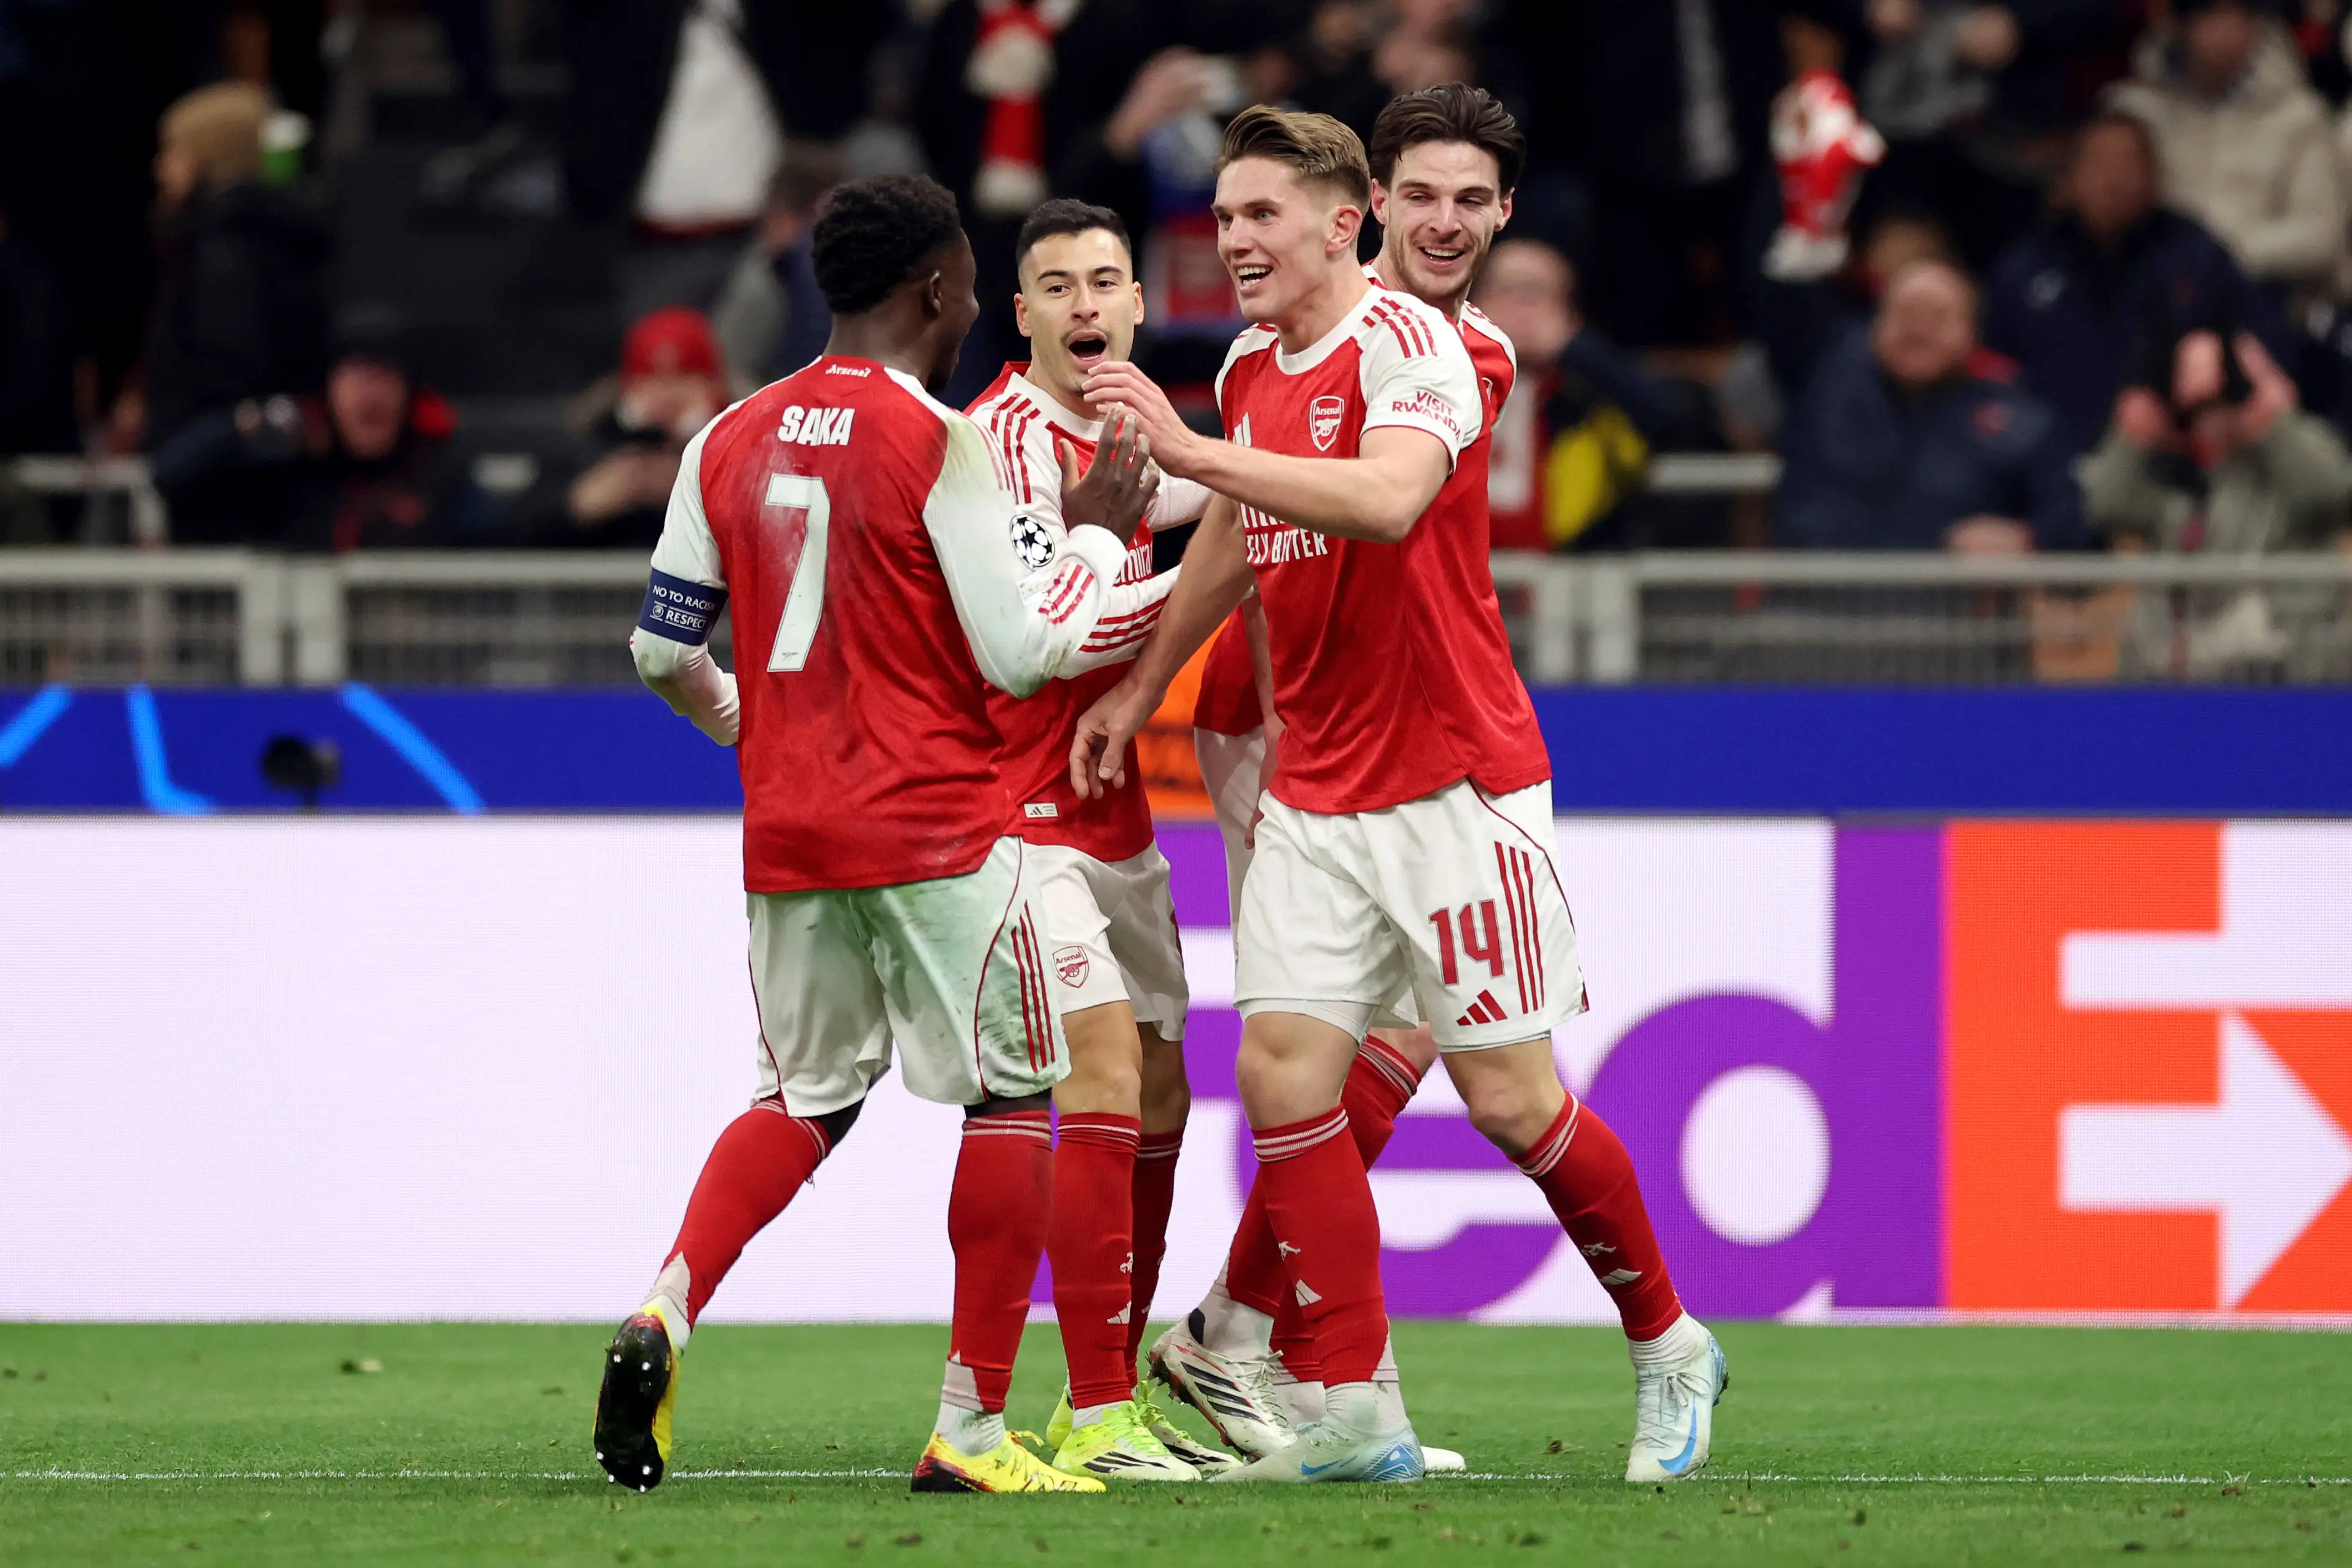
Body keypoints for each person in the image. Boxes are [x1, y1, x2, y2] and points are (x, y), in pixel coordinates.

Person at [1071, 103, 1726, 1485]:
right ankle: (1351, 1412)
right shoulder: (1253, 363)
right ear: (1379, 199)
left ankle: (1669, 1340)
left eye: (1257, 217)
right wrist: (1143, 687)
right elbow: (1251, 537)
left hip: (1454, 782)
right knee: (1285, 1073)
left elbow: (1382, 499)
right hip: (1315, 781)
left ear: (1334, 222)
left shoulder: (1434, 345)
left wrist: (1184, 455)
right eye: (1226, 216)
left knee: (1510, 1100)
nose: (1232, 239)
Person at [593, 171, 1158, 1498]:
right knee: (1019, 1093)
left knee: (798, 1094)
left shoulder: (725, 434)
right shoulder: (939, 439)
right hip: (942, 831)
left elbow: (659, 645)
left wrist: (746, 726)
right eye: (969, 285)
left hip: (790, 835)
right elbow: (1025, 651)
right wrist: (1093, 535)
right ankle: (969, 1431)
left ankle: (663, 1313)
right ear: (940, 290)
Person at [960, 198, 1230, 1482]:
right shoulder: (996, 444)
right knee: (1105, 1077)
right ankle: (1106, 1406)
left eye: (1105, 282)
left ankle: (1104, 1388)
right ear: (1021, 315)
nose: (1083, 305)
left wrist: (1259, 505)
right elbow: (1048, 631)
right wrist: (1201, 590)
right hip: (1022, 812)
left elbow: (1231, 496)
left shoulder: (1140, 425)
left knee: (1168, 1090)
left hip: (1117, 812)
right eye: (1056, 285)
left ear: (1135, 303)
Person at [1984, 111, 2289, 457]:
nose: (2114, 180)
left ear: (2155, 176)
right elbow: (1993, 376)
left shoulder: (2199, 256)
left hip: (2181, 456)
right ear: (2069, 178)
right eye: (2099, 163)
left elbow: (2261, 352)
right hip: (2048, 458)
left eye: (2129, 164)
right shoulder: (2026, 267)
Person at [1764, 254, 2087, 552]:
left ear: (1972, 333)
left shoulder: (2022, 424)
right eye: (1905, 313)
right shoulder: (1823, 384)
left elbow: (2074, 526)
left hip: (1947, 609)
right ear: (1875, 325)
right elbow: (1782, 294)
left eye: (1938, 317)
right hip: (1808, 602)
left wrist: (2026, 539)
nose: (1918, 329)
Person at [2082, 327, 2352, 677]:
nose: (2211, 416)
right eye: (2197, 407)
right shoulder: (2171, 478)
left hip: (2288, 682)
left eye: (2223, 399)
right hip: (2179, 682)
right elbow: (2106, 504)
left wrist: (2274, 419)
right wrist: (2133, 434)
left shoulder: (2292, 466)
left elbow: (2333, 488)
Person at [139, 80, 330, 545]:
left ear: (211, 158)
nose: (161, 169)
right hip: (243, 485)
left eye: (174, 152)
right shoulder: (258, 239)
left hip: (220, 493)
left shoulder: (224, 252)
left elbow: (232, 376)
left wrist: (189, 451)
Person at [1473, 237, 1714, 550]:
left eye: (1533, 293)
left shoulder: (1587, 391)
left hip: (1570, 571)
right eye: (1503, 291)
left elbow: (1673, 423)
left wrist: (1576, 349)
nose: (1516, 308)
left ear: (1569, 313)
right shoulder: (1436, 377)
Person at [2105, 0, 2346, 299]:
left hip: (2264, 299)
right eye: (2212, 14)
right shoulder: (2134, 111)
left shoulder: (2299, 117)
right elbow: (2103, 212)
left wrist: (2217, 256)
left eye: (2240, 16)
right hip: (2147, 295)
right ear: (2180, 24)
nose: (2226, 32)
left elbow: (2320, 235)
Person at [279, 312, 497, 553]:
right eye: (357, 376)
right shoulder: (291, 478)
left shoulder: (444, 482)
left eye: (384, 375)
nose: (371, 392)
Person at [543, 308, 730, 550]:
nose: (668, 396)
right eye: (652, 378)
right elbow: (514, 534)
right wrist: (578, 506)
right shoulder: (588, 441)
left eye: (684, 378)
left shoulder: (752, 445)